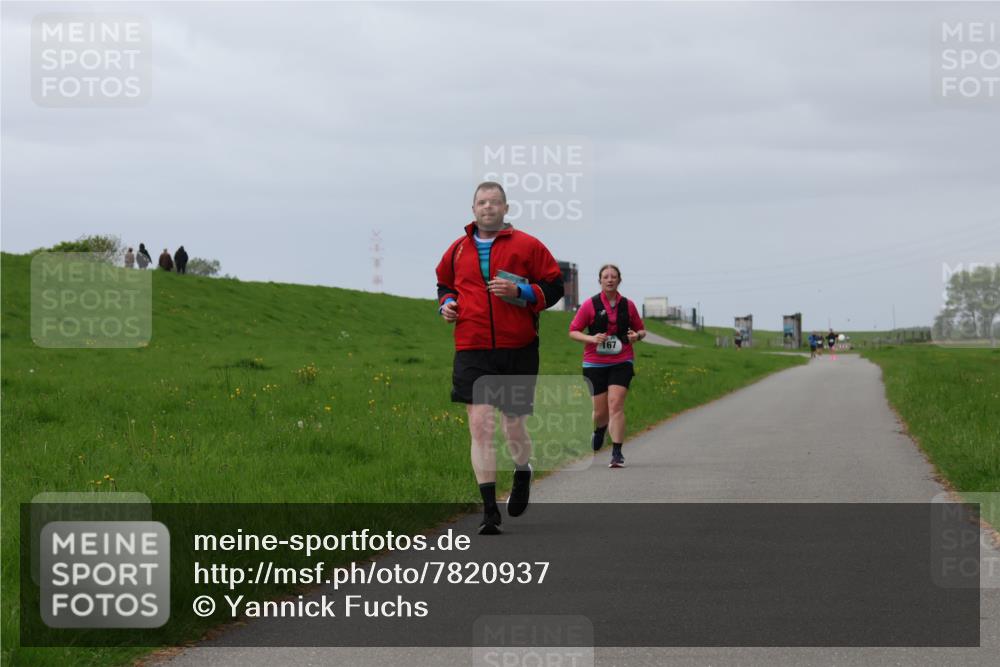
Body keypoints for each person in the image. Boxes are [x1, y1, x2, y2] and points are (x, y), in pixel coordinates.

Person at [436, 181, 564, 535]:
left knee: (512, 425)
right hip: (471, 347)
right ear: (473, 209)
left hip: (517, 348)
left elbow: (554, 286)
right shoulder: (457, 250)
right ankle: (489, 510)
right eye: (482, 202)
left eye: (494, 202)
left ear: (506, 208)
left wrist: (521, 290)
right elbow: (445, 285)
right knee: (479, 425)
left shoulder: (528, 245)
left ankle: (522, 470)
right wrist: (447, 305)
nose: (488, 207)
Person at [569, 265, 646, 468]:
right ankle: (600, 429)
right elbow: (573, 331)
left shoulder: (628, 305)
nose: (610, 279)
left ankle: (617, 453)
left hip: (622, 360)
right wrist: (591, 338)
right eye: (606, 277)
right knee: (599, 412)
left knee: (616, 404)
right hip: (594, 363)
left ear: (619, 280)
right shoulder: (589, 305)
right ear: (600, 281)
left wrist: (636, 336)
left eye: (613, 276)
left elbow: (641, 330)